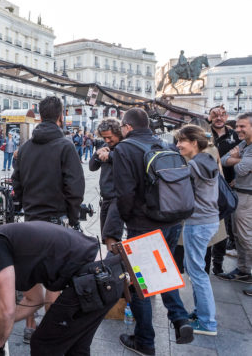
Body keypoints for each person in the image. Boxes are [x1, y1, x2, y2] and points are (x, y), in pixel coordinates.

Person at [105, 108, 192, 355]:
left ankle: (145, 341)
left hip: (143, 224)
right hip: (172, 220)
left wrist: (127, 219)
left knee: (140, 285)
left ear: (127, 127)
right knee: (162, 270)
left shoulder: (124, 148)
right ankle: (180, 318)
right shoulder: (164, 144)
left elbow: (123, 193)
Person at [0, 222, 121, 355]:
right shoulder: (6, 249)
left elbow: (6, 308)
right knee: (76, 348)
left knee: (43, 344)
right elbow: (34, 300)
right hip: (107, 272)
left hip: (94, 277)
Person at [11, 96, 85, 342]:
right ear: (61, 116)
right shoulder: (65, 146)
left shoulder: (25, 147)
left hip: (31, 221)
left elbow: (17, 184)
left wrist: (23, 206)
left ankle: (30, 327)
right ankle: (49, 333)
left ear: (39, 116)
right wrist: (73, 217)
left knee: (32, 277)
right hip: (56, 223)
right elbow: (75, 188)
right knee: (54, 282)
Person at [175, 125, 220, 336]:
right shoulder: (207, 159)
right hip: (208, 220)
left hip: (198, 222)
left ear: (194, 142)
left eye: (182, 141)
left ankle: (207, 322)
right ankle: (200, 312)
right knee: (195, 268)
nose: (178, 145)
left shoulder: (194, 165)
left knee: (197, 273)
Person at [220, 112, 252, 288]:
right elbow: (224, 160)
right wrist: (240, 159)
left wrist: (239, 160)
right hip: (240, 194)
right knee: (238, 236)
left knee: (247, 238)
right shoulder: (244, 145)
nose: (237, 129)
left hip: (248, 196)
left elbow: (240, 170)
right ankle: (244, 271)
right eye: (237, 126)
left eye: (242, 126)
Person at [208, 105, 240, 271]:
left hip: (227, 187)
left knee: (223, 228)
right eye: (214, 115)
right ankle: (205, 265)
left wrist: (236, 178)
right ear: (209, 117)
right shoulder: (204, 135)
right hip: (208, 187)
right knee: (208, 228)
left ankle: (218, 266)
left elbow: (246, 155)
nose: (218, 118)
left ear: (227, 117)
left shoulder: (235, 135)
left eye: (222, 115)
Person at [89, 118, 123, 234]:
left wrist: (110, 156)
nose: (107, 140)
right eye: (104, 137)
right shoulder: (105, 145)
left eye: (109, 137)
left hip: (118, 198)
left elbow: (126, 160)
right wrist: (97, 154)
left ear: (118, 133)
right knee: (105, 234)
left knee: (111, 235)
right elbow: (92, 167)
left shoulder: (124, 146)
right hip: (105, 197)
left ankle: (113, 252)